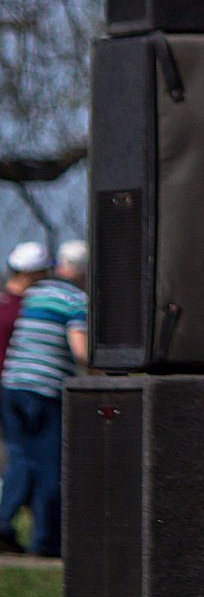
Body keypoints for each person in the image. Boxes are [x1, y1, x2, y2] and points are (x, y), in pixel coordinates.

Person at [0, 239, 88, 557]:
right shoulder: (76, 300)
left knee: (22, 459)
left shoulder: (34, 296)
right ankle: (47, 540)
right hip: (45, 390)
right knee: (51, 464)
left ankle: (5, 526)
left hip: (13, 385)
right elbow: (80, 350)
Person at [0, 241, 50, 380]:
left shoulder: (5, 304)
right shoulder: (28, 308)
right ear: (30, 274)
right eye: (43, 272)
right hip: (15, 382)